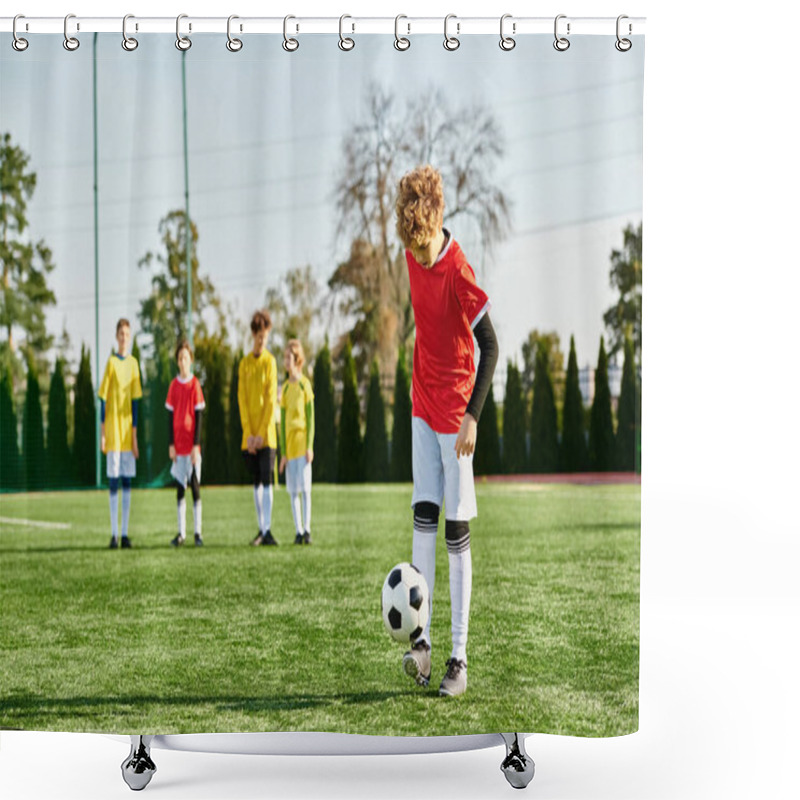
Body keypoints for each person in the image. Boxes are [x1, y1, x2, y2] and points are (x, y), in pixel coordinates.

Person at [394, 165, 499, 697]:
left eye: (420, 245)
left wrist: (473, 416)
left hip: (458, 416)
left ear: (435, 222)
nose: (415, 256)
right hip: (420, 403)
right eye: (408, 248)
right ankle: (422, 642)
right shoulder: (410, 254)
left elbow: (492, 347)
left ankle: (458, 658)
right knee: (423, 517)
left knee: (456, 531)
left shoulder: (459, 269)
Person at [98, 318, 143, 549]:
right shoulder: (111, 363)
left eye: (127, 333)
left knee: (127, 482)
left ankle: (125, 534)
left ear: (130, 336)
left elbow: (135, 404)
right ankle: (114, 534)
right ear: (116, 337)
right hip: (113, 435)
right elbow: (103, 399)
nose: (124, 337)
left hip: (127, 436)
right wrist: (103, 434)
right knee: (113, 482)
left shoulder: (134, 364)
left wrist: (134, 437)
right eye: (121, 333)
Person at [238, 310, 279, 546]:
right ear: (253, 334)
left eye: (266, 336)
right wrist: (249, 434)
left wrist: (261, 434)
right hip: (249, 436)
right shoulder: (244, 364)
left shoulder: (271, 362)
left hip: (267, 436)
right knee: (256, 482)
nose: (263, 340)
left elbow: (271, 398)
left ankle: (268, 529)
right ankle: (260, 528)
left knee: (267, 480)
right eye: (260, 336)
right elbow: (241, 400)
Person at [166, 340, 206, 547]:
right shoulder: (173, 386)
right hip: (178, 446)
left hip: (191, 447)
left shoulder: (195, 384)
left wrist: (195, 446)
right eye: (180, 358)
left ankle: (197, 533)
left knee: (195, 486)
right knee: (180, 488)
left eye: (186, 358)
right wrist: (171, 444)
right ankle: (181, 533)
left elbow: (199, 416)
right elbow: (169, 416)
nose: (183, 362)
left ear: (191, 360)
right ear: (177, 361)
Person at [279, 339, 315, 545]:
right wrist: (283, 452)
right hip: (290, 449)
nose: (286, 361)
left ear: (297, 360)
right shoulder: (284, 389)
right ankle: (298, 530)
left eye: (288, 357)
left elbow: (311, 419)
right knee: (293, 491)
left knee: (306, 490)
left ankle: (308, 529)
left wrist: (309, 446)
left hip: (302, 446)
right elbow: (282, 424)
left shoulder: (305, 385)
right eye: (284, 357)